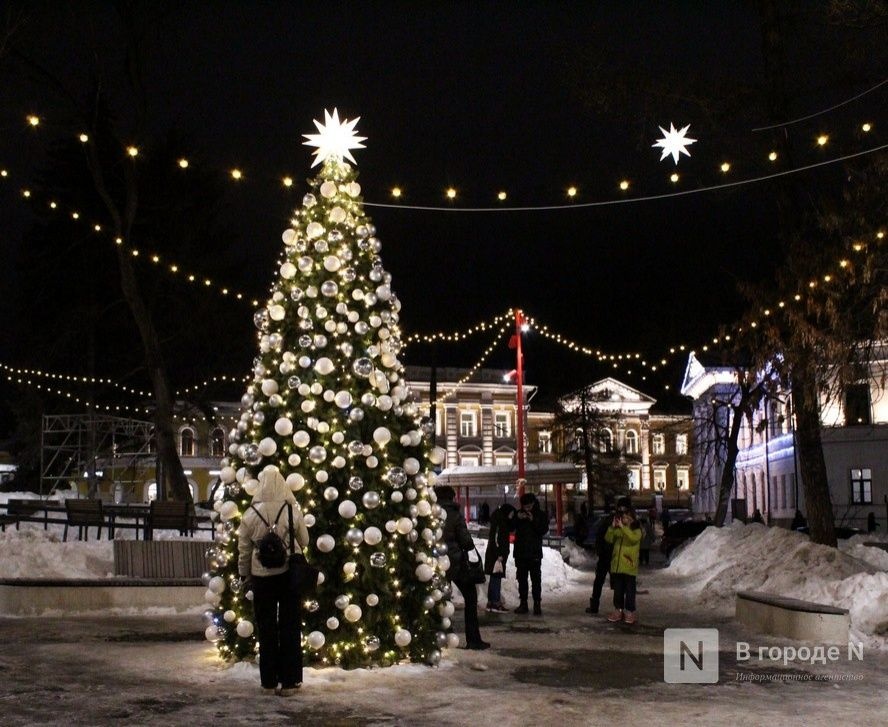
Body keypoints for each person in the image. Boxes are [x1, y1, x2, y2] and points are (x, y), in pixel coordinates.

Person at [237, 466, 309, 696]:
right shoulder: (291, 510)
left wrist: (244, 574)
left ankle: (268, 681)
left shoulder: (249, 515)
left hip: (262, 578)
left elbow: (244, 550)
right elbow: (304, 541)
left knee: (266, 629)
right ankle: (289, 682)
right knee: (289, 627)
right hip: (288, 576)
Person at [435, 485, 489, 650]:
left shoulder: (432, 513)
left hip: (438, 563)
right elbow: (465, 540)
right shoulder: (455, 514)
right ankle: (473, 639)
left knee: (443, 600)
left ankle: (446, 637)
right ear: (452, 498)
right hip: (457, 563)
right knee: (470, 598)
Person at [513, 492, 549, 615]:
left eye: (529, 506)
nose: (527, 509)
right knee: (522, 579)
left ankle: (537, 604)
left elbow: (543, 530)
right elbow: (511, 527)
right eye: (525, 506)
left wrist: (533, 520)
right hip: (521, 553)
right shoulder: (519, 514)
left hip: (534, 553)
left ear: (533, 504)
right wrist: (517, 518)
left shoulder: (541, 515)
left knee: (536, 580)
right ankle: (523, 603)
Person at [605, 505, 642, 624]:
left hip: (629, 566)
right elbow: (609, 538)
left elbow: (633, 539)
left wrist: (623, 528)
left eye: (625, 518)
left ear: (631, 518)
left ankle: (630, 612)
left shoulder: (637, 530)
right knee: (618, 591)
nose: (623, 520)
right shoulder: (621, 529)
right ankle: (618, 610)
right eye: (622, 517)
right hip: (617, 566)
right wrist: (612, 527)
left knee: (630, 591)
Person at [483, 503, 515, 612]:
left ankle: (491, 603)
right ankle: (495, 603)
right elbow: (496, 539)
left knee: (494, 578)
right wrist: (499, 554)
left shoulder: (499, 521)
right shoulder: (500, 523)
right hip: (497, 556)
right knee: (496, 578)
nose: (511, 516)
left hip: (496, 555)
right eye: (511, 514)